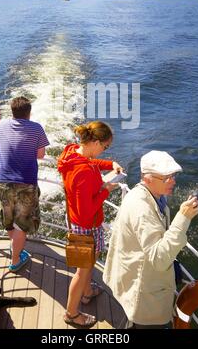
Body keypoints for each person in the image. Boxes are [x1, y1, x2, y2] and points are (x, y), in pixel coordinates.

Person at [103, 150, 198, 329]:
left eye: (173, 175)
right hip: (143, 297)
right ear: (147, 178)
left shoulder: (148, 196)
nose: (173, 181)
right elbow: (159, 258)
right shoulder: (142, 209)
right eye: (166, 177)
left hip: (133, 280)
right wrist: (183, 218)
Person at [57, 121, 123, 328]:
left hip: (76, 220)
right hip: (86, 225)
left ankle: (87, 293)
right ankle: (71, 313)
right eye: (105, 147)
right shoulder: (83, 172)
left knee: (88, 264)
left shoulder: (71, 152)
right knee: (82, 271)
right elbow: (87, 212)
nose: (105, 150)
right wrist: (106, 190)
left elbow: (90, 162)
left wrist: (110, 164)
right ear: (95, 142)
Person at [0, 96, 49, 272]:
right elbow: (40, 155)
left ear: (12, 111)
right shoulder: (36, 128)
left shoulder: (0, 126)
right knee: (22, 224)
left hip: (3, 181)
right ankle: (16, 259)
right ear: (29, 112)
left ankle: (16, 247)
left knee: (9, 221)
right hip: (26, 183)